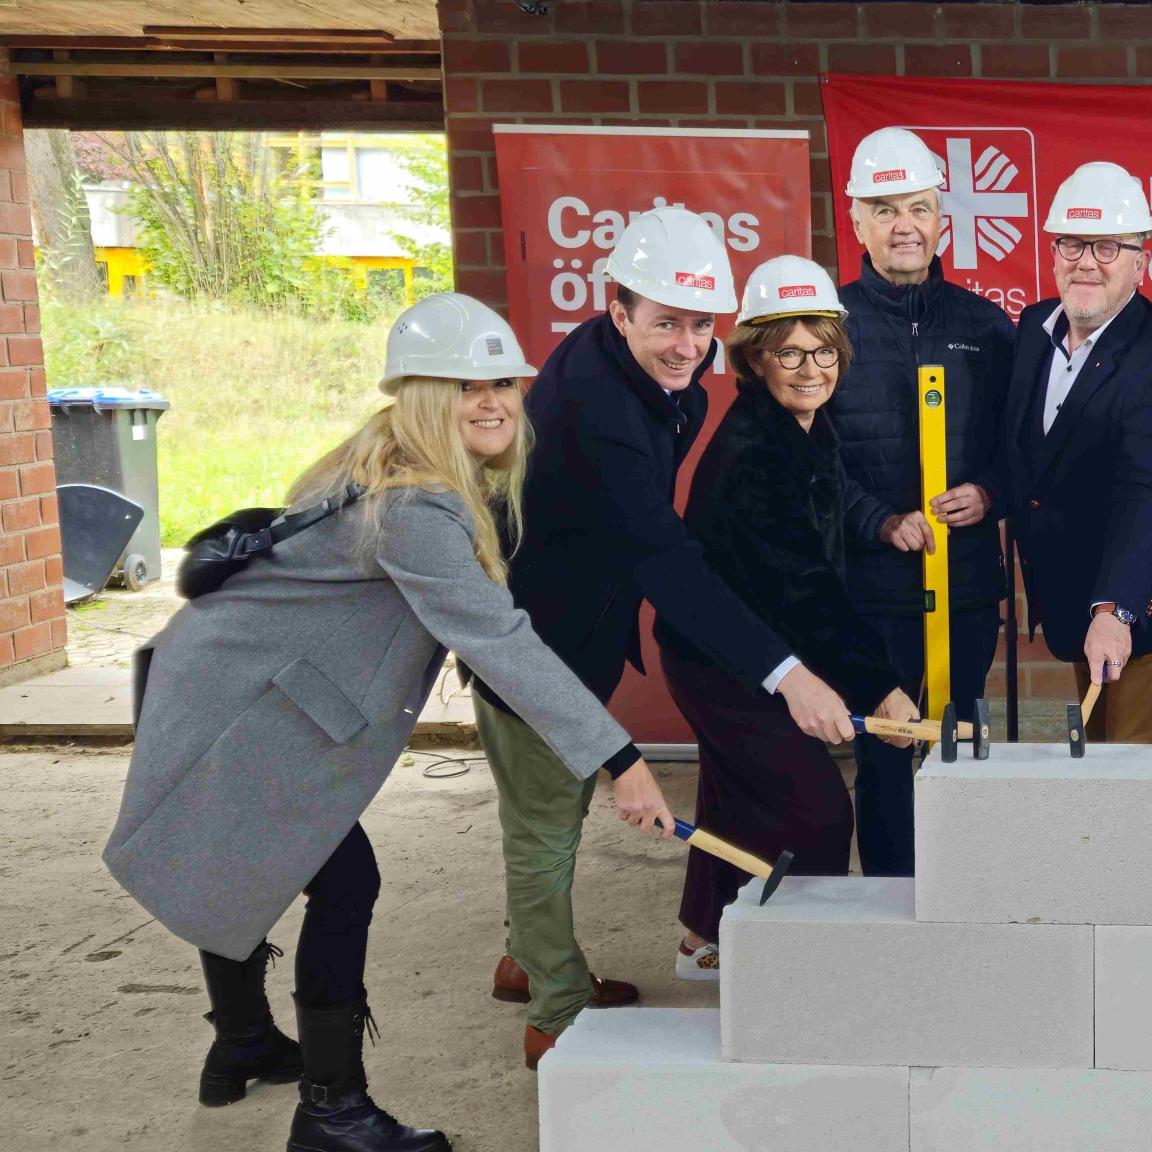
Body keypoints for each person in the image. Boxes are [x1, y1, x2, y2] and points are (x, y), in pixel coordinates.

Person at [103, 294, 673, 1152]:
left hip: (223, 682)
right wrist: (619, 758)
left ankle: (242, 1040)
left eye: (503, 385)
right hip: (244, 706)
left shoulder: (377, 464)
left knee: (251, 856)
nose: (490, 402)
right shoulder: (414, 507)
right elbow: (498, 638)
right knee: (343, 881)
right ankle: (332, 1110)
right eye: (460, 386)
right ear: (415, 396)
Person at [473, 205, 856, 1068]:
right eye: (665, 324)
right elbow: (664, 557)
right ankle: (554, 1010)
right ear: (619, 308)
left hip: (583, 625)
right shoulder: (601, 407)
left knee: (548, 815)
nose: (687, 345)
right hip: (535, 647)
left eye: (698, 324)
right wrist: (786, 672)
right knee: (545, 825)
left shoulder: (632, 365)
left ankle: (526, 957)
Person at [664, 255, 922, 966]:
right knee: (813, 811)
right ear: (755, 359)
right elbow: (805, 587)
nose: (811, 368)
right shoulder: (757, 453)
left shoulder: (804, 427)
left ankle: (703, 942)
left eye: (824, 350)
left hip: (753, 648)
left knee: (731, 793)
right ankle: (801, 970)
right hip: (722, 661)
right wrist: (880, 686)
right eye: (789, 352)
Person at [831, 127, 1016, 875]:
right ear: (858, 222)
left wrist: (991, 491)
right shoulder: (828, 324)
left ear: (942, 218)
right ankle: (888, 906)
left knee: (961, 745)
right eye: (884, 208)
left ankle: (962, 893)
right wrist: (876, 520)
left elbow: (1021, 448)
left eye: (918, 206)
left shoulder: (986, 327)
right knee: (884, 756)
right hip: (870, 590)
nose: (903, 223)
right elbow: (808, 463)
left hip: (965, 586)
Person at [1004, 162, 1152, 742]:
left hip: (1137, 613)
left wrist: (1115, 610)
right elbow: (1026, 450)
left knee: (1137, 783)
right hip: (1070, 604)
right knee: (1092, 774)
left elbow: (1146, 494)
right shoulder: (1035, 326)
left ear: (1141, 261)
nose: (1086, 260)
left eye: (1108, 246)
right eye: (1071, 243)